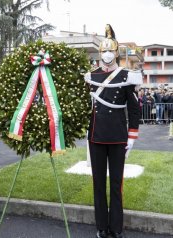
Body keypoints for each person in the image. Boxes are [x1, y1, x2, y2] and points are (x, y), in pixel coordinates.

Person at [84, 24, 142, 238]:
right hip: (97, 137)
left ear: (116, 52)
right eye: (104, 51)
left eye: (110, 51)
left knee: (116, 184)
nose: (107, 54)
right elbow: (85, 107)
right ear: (100, 53)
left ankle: (116, 227)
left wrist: (132, 136)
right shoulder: (90, 76)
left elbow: (134, 110)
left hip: (118, 137)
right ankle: (101, 226)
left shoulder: (127, 75)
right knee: (98, 184)